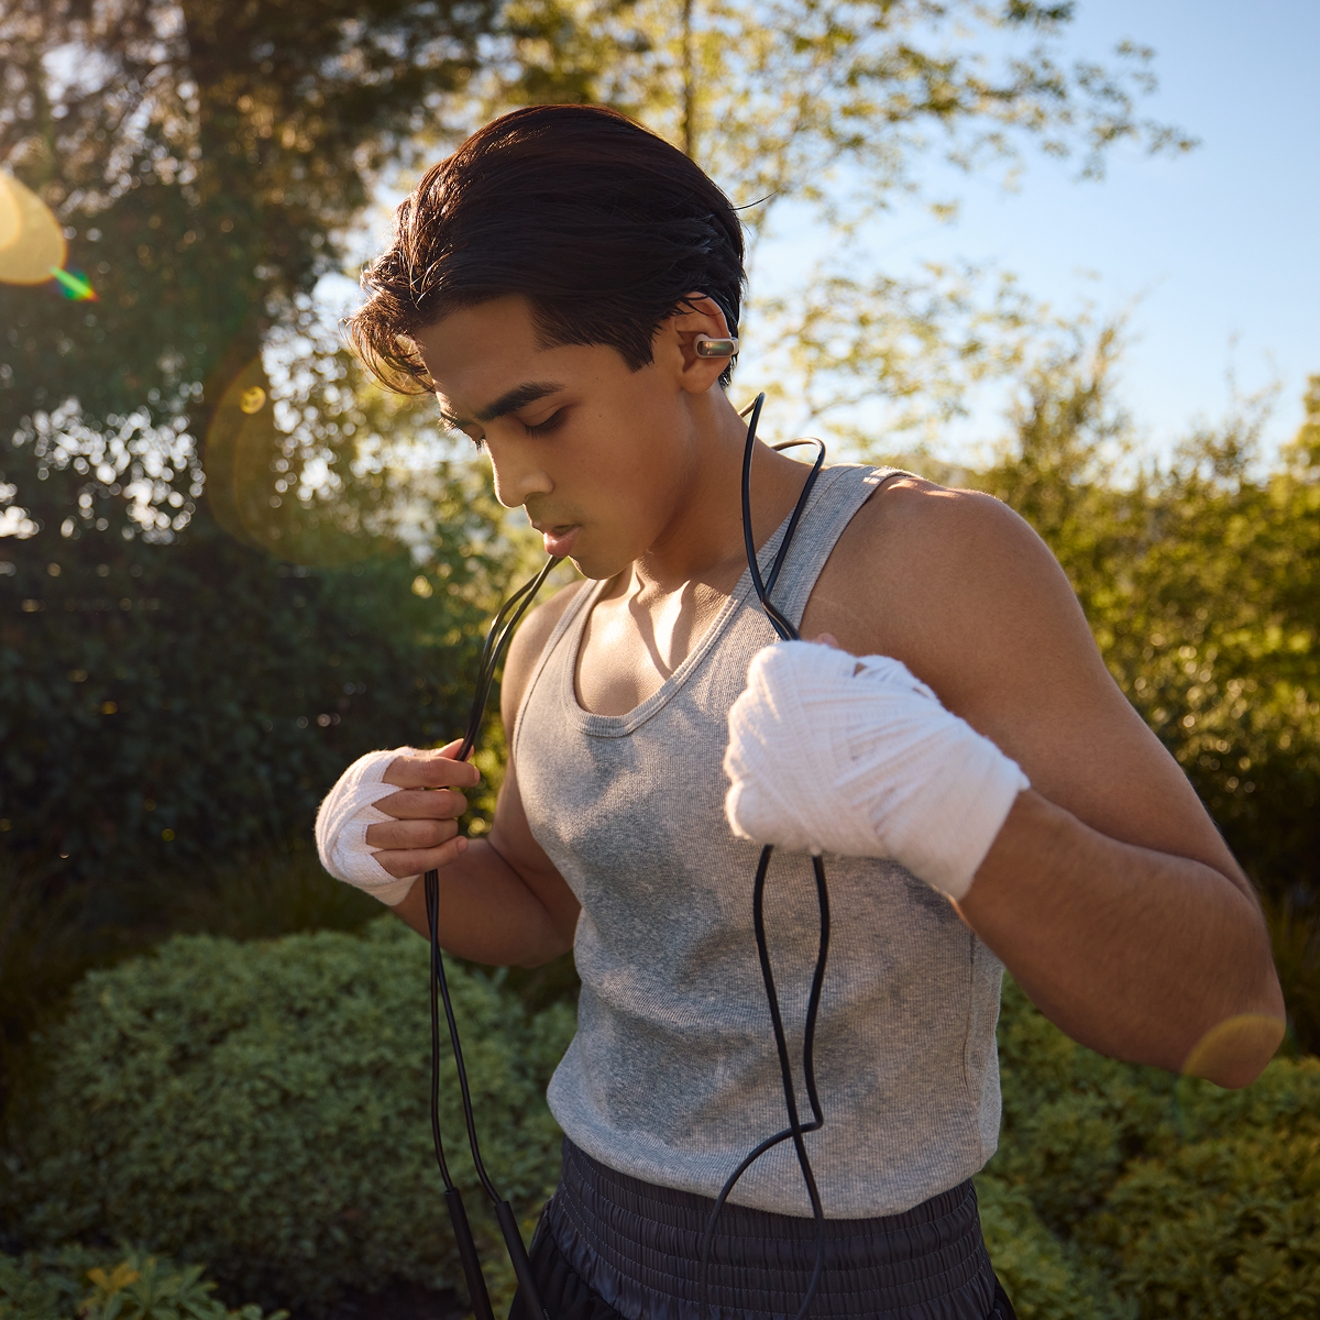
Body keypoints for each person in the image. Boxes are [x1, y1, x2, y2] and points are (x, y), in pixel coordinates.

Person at [316, 104, 1285, 1320]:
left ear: (693, 342)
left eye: (540, 415)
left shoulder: (925, 562)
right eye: (476, 436)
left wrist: (951, 804)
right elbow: (542, 907)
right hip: (576, 1257)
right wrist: (404, 867)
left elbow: (1227, 1007)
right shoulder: (555, 637)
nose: (511, 485)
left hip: (861, 1285)